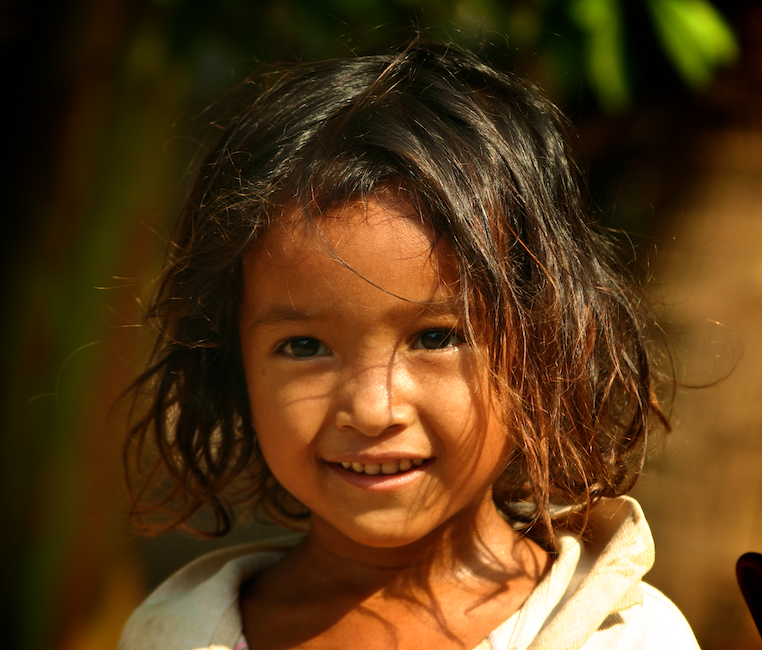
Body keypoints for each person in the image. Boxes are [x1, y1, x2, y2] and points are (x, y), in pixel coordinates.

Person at [118, 40, 699, 650]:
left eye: (436, 338)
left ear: (541, 348)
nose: (372, 410)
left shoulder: (621, 636)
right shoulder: (175, 633)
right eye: (305, 347)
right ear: (233, 363)